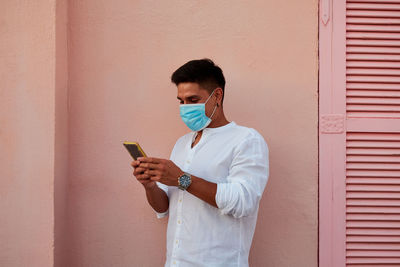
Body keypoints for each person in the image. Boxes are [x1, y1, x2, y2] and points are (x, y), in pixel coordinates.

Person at [131, 58, 269, 267]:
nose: (185, 107)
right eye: (181, 101)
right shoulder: (182, 143)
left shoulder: (246, 140)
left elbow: (243, 202)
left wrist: (181, 178)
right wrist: (149, 185)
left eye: (193, 99)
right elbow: (165, 208)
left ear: (217, 96)